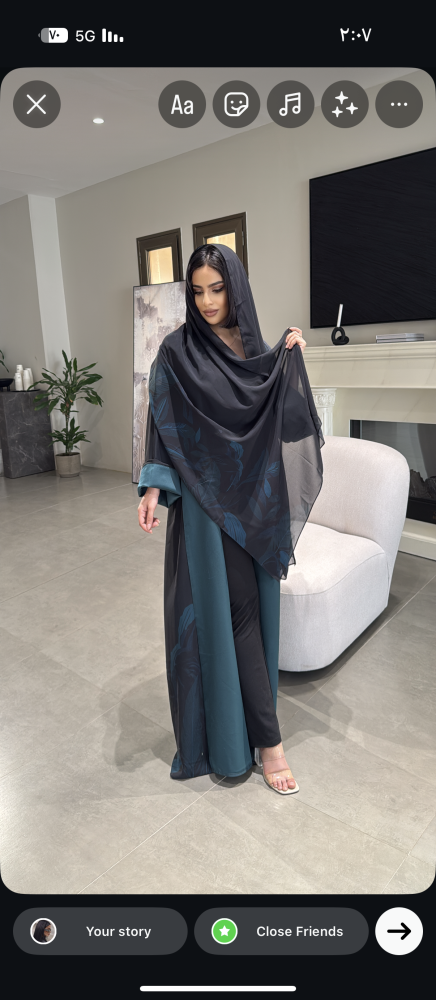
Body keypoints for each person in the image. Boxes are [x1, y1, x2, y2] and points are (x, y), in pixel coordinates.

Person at [137, 244, 323, 795]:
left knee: (250, 614)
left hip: (253, 501)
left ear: (235, 287)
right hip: (204, 502)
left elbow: (285, 423)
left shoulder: (256, 352)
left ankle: (247, 735)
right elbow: (162, 419)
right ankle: (269, 745)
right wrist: (153, 485)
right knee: (235, 614)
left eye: (217, 289)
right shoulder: (176, 351)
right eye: (197, 291)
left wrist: (290, 363)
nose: (207, 301)